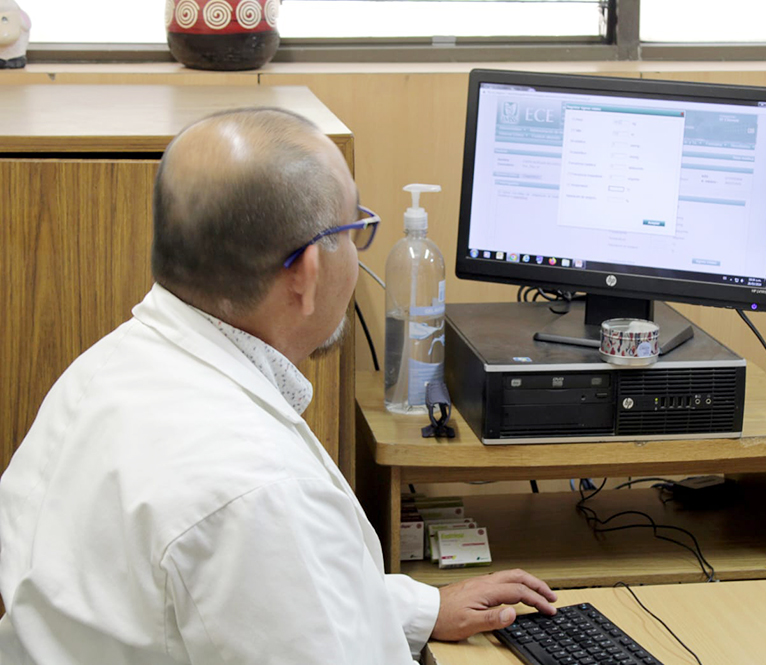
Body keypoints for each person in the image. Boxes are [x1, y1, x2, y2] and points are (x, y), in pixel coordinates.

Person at [0, 108, 557, 664]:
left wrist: (419, 609)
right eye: (354, 230)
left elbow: (249, 601)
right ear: (308, 272)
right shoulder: (259, 491)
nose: (357, 252)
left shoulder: (104, 370)